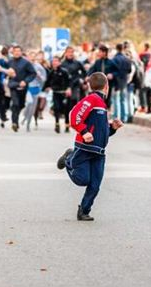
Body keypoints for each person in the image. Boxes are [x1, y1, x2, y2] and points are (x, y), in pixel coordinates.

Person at [56, 72, 124, 221]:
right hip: (85, 148)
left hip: (99, 152)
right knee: (82, 179)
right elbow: (74, 116)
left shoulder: (102, 104)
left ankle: (84, 210)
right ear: (107, 86)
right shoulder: (92, 99)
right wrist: (84, 131)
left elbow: (101, 131)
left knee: (95, 184)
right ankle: (68, 157)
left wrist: (112, 127)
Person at [8, 45, 36, 132]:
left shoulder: (26, 63)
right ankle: (14, 122)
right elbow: (4, 72)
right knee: (15, 104)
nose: (17, 53)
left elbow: (33, 73)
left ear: (21, 52)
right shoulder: (9, 62)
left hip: (23, 86)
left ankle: (15, 118)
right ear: (12, 52)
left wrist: (26, 81)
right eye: (15, 51)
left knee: (21, 104)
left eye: (18, 51)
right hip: (13, 85)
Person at [61, 46, 87, 133]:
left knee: (73, 103)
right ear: (65, 53)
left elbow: (84, 72)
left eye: (71, 52)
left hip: (75, 86)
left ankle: (74, 123)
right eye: (68, 52)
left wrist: (82, 80)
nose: (70, 54)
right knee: (65, 106)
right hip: (65, 86)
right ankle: (67, 124)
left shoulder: (77, 63)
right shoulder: (62, 64)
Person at [44, 56, 71, 133]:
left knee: (66, 109)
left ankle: (67, 125)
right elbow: (47, 82)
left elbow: (69, 81)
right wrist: (47, 87)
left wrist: (69, 89)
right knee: (56, 108)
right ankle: (57, 124)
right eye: (53, 61)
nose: (54, 63)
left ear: (59, 62)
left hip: (64, 93)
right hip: (56, 93)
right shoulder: (51, 72)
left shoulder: (64, 71)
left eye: (56, 61)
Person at [23, 51, 47, 132]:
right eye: (31, 56)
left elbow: (44, 79)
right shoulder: (25, 65)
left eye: (34, 57)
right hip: (28, 88)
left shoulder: (39, 67)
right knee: (29, 104)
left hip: (36, 88)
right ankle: (25, 115)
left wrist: (39, 75)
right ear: (28, 57)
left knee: (33, 109)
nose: (32, 58)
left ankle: (28, 124)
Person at [111, 43, 132, 122]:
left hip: (116, 81)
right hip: (124, 80)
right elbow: (129, 70)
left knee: (116, 99)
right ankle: (124, 117)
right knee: (123, 99)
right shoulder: (127, 59)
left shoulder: (114, 59)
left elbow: (112, 70)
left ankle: (116, 116)